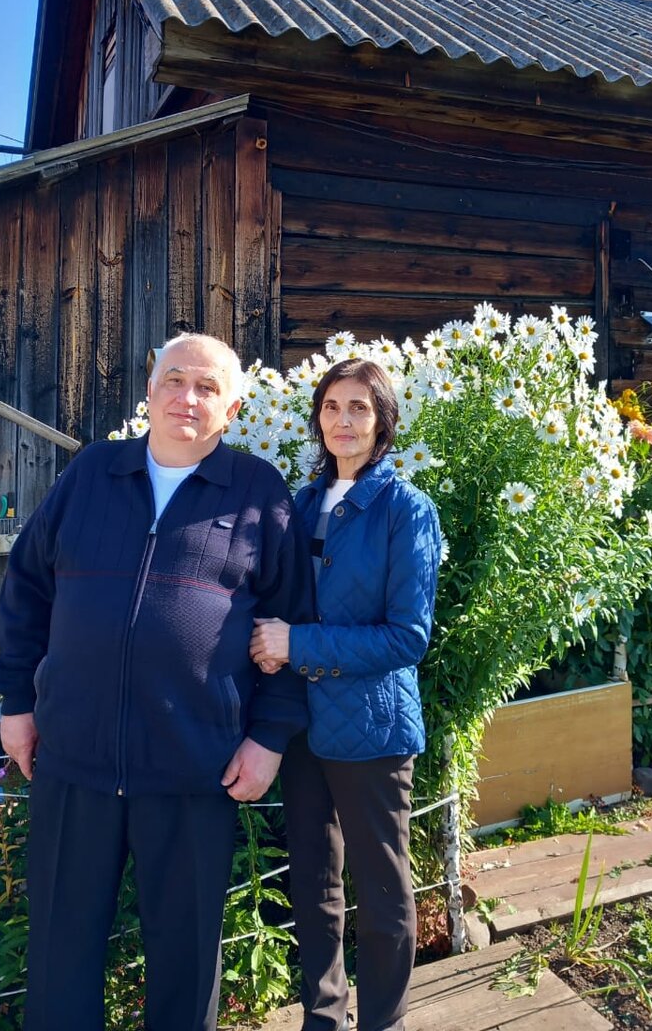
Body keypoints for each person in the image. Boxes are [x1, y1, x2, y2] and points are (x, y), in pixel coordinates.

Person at [0, 333, 313, 1031]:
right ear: (150, 389)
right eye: (173, 381)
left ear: (232, 407)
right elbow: (26, 590)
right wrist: (16, 702)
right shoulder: (93, 473)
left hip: (196, 771)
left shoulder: (258, 493)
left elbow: (292, 622)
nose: (185, 399)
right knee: (59, 955)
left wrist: (269, 737)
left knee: (186, 960)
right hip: (74, 762)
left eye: (205, 388)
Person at [250, 358, 441, 1031]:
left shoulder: (406, 510)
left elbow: (406, 638)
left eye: (360, 408)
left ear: (384, 421)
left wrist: (296, 645)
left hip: (372, 729)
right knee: (313, 886)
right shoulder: (299, 504)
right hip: (301, 726)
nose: (344, 421)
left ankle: (382, 1023)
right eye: (332, 407)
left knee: (383, 891)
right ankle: (323, 1018)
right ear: (318, 419)